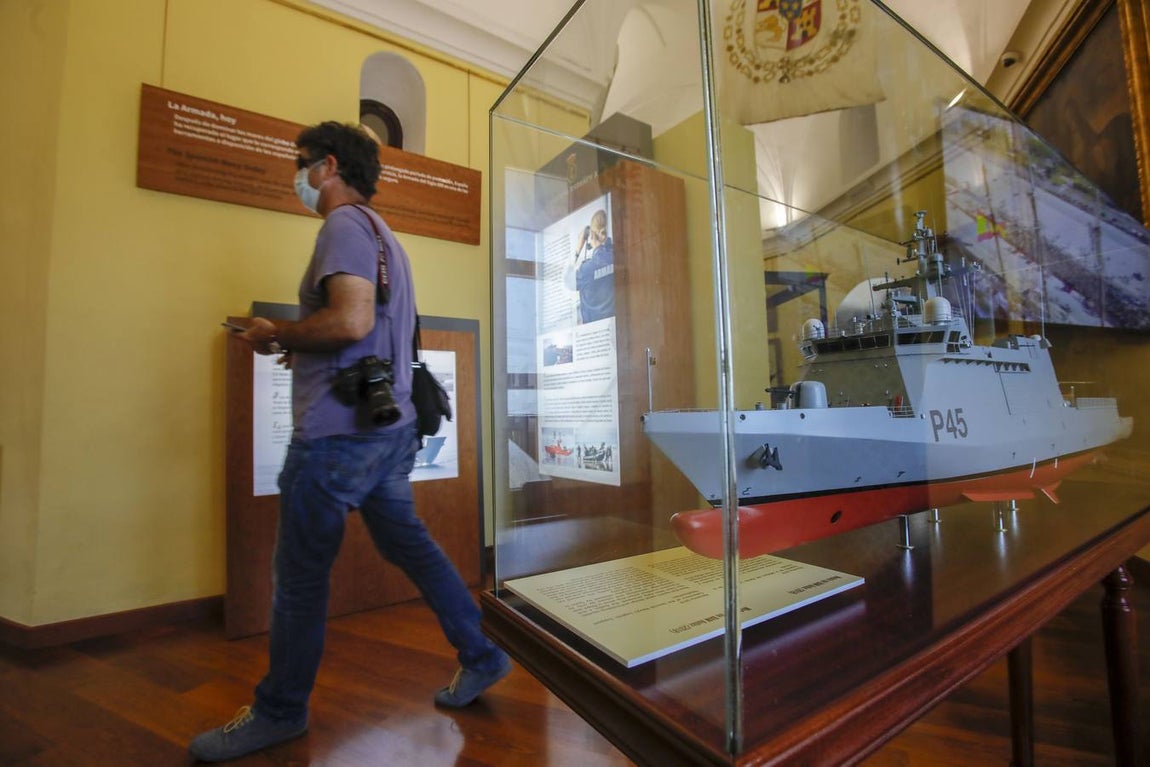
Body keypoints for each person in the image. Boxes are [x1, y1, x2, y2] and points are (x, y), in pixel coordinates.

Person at [189, 122, 510, 763]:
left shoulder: (342, 227)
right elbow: (369, 331)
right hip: (383, 435)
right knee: (413, 549)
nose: (299, 175)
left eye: (302, 163)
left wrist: (275, 332)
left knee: (300, 580)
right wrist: (303, 341)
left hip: (336, 439)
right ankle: (481, 653)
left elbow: (351, 320)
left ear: (328, 166)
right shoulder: (387, 236)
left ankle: (280, 712)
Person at [565, 209, 614, 323]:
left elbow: (568, 281)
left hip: (594, 333)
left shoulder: (587, 269)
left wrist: (578, 249)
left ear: (591, 235)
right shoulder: (617, 258)